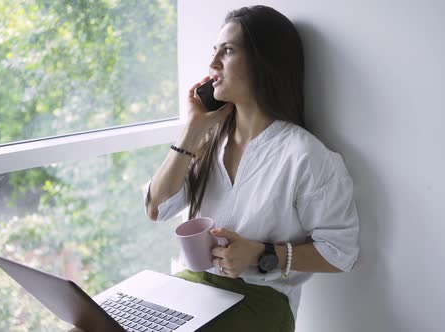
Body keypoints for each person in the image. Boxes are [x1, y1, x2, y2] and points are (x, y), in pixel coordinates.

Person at [143, 5, 359, 332]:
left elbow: (340, 253)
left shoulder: (304, 155)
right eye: (214, 52)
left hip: (260, 304)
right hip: (192, 289)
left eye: (227, 51)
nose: (213, 64)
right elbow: (156, 207)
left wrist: (261, 254)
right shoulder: (206, 140)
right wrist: (191, 130)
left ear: (263, 62)